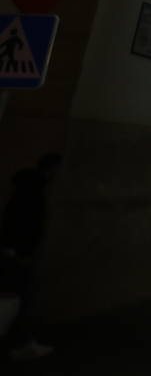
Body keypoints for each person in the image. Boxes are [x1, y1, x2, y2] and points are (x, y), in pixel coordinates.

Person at [0, 153, 62, 361]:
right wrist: (20, 250)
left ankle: (19, 343)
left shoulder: (26, 188)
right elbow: (23, 223)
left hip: (15, 251)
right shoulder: (33, 191)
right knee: (22, 298)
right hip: (19, 252)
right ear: (52, 169)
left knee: (17, 298)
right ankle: (21, 344)